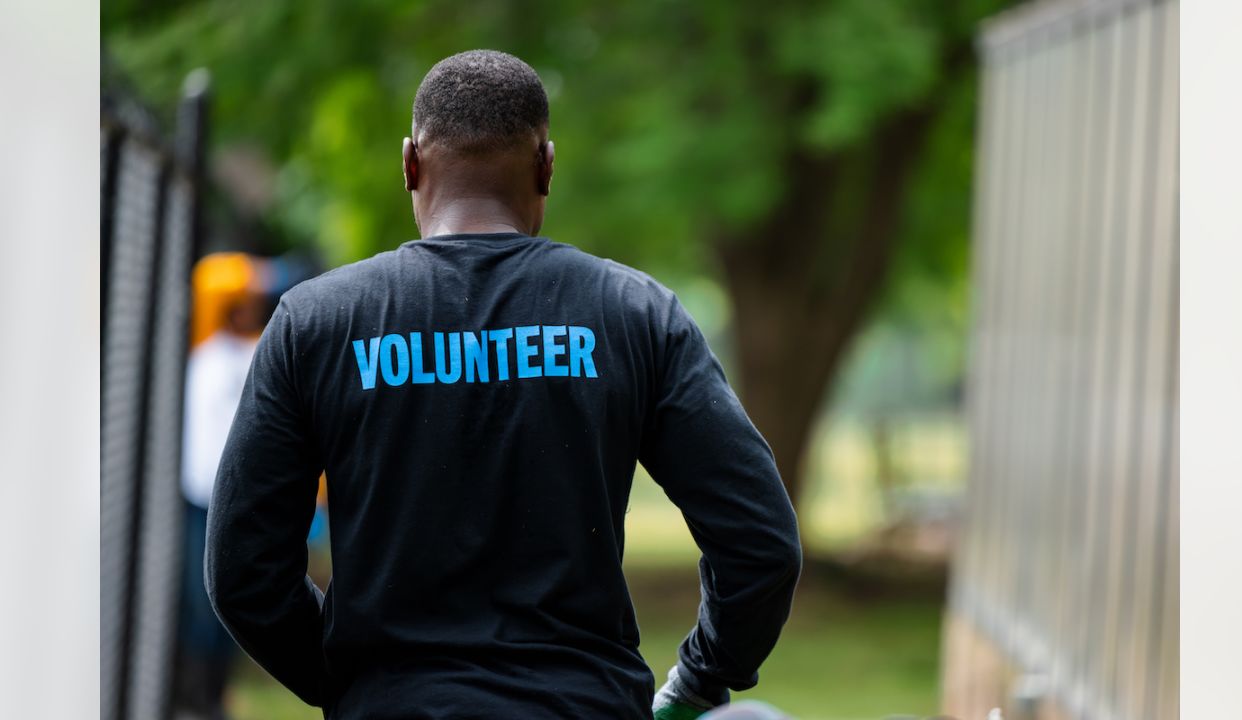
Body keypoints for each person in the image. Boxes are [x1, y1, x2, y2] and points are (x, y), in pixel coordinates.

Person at [206, 49, 802, 719]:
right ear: (547, 166)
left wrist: (365, 689)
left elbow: (243, 572)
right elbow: (760, 544)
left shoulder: (316, 324)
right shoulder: (634, 315)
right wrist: (701, 678)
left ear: (409, 163)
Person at [176, 252, 267, 719]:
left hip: (235, 500)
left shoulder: (257, 354)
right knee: (195, 597)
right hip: (197, 495)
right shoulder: (203, 357)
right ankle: (196, 692)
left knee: (226, 599)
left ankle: (215, 693)